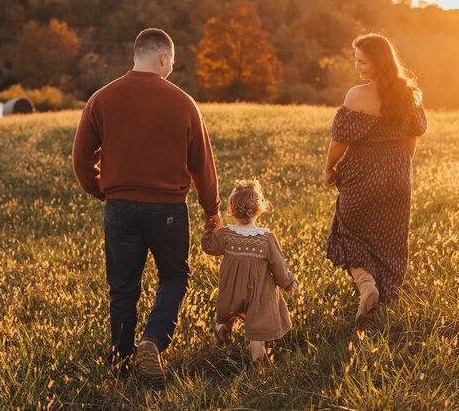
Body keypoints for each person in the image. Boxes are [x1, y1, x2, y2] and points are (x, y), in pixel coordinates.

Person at [72, 28, 222, 386]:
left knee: (123, 285)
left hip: (120, 207)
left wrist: (103, 192)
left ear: (136, 55)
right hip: (168, 209)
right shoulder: (183, 102)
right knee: (174, 276)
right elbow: (202, 163)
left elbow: (80, 159)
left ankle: (120, 360)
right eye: (172, 61)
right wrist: (211, 209)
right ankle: (153, 339)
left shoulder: (102, 98)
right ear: (163, 59)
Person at [323, 33, 426, 324]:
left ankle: (367, 286)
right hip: (397, 173)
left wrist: (329, 169)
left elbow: (339, 142)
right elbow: (412, 138)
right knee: (390, 239)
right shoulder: (410, 93)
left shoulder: (357, 96)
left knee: (347, 233)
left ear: (379, 62)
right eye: (355, 60)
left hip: (362, 175)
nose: (357, 67)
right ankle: (386, 295)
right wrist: (399, 170)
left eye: (362, 61)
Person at [201, 180, 298, 373]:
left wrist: (210, 229)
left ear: (231, 210)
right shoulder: (266, 239)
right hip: (258, 294)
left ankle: (222, 329)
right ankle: (258, 366)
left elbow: (209, 247)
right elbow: (279, 266)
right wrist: (289, 283)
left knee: (230, 312)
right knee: (256, 331)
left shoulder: (226, 235)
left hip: (232, 292)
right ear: (259, 210)